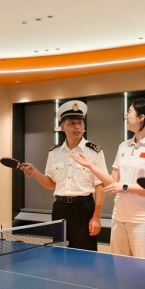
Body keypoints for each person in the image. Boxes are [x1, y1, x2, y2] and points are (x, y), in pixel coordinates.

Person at [70, 99, 145, 259]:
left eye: (129, 112)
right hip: (119, 218)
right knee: (120, 269)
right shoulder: (124, 146)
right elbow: (113, 181)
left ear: (141, 117)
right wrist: (91, 166)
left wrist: (124, 187)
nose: (126, 116)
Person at [21, 100, 107, 251]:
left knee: (84, 255)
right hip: (59, 208)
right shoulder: (54, 152)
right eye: (72, 123)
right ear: (62, 127)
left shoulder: (94, 152)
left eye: (80, 123)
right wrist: (35, 173)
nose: (77, 127)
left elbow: (99, 186)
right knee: (59, 253)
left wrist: (96, 217)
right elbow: (51, 184)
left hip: (83, 209)